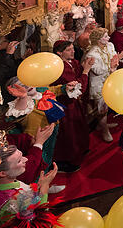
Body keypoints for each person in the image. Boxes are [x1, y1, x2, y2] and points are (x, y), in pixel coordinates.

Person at [0, 146, 58, 228]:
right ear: (3, 173)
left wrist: (39, 187)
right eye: (19, 161)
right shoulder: (16, 201)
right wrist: (44, 187)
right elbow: (42, 223)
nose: (26, 159)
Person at [51, 40, 92, 173]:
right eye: (69, 50)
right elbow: (78, 88)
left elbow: (78, 73)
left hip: (75, 103)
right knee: (69, 132)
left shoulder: (73, 62)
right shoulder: (60, 68)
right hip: (65, 105)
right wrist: (86, 71)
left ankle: (82, 149)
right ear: (59, 53)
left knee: (79, 127)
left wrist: (84, 67)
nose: (73, 51)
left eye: (73, 48)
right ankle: (69, 160)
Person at [85, 27, 123, 142]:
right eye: (105, 36)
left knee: (107, 106)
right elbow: (96, 70)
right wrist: (112, 65)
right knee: (102, 109)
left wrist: (121, 58)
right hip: (99, 85)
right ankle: (104, 131)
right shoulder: (92, 53)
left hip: (111, 81)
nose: (108, 38)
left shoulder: (110, 46)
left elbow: (115, 58)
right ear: (98, 39)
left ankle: (102, 124)